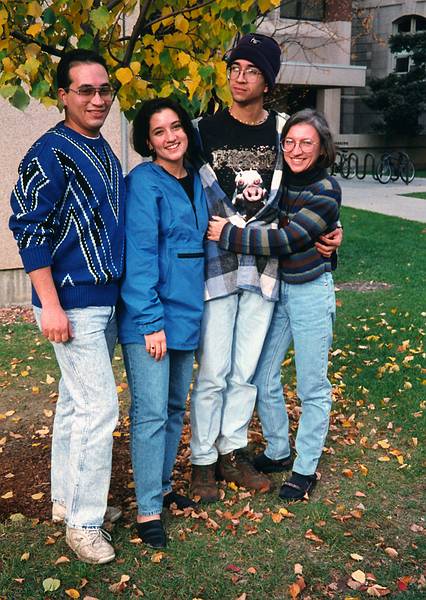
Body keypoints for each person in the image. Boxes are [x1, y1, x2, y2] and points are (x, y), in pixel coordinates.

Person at [190, 33, 343, 503]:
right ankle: (204, 461)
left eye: (252, 70)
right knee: (216, 369)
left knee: (246, 370)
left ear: (268, 81)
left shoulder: (281, 130)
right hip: (217, 267)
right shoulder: (202, 131)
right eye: (234, 67)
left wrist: (332, 237)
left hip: (267, 272)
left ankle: (235, 449)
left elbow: (310, 193)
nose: (240, 77)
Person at [9, 50, 125, 563]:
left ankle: (65, 500)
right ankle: (84, 525)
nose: (98, 99)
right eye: (86, 91)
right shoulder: (48, 153)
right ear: (62, 95)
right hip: (70, 304)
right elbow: (28, 228)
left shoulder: (101, 148)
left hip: (102, 300)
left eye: (104, 90)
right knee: (101, 408)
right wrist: (50, 306)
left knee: (77, 405)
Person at [118, 98, 208, 548]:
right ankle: (147, 509)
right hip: (150, 317)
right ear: (146, 140)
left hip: (188, 313)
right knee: (151, 413)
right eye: (159, 131)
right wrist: (151, 322)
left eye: (176, 126)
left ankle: (165, 488)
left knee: (174, 409)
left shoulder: (197, 179)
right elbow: (139, 257)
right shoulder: (143, 182)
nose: (171, 136)